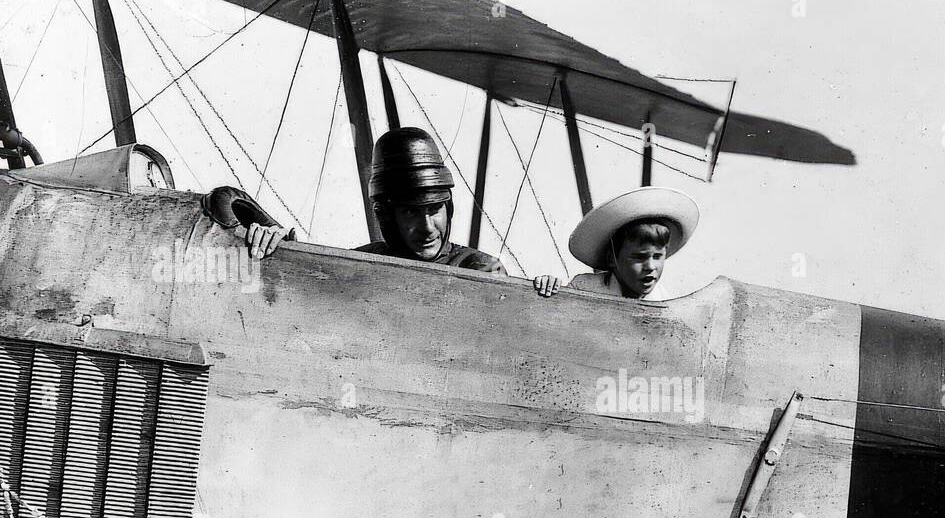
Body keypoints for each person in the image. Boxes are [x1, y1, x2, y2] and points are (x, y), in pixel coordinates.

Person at [245, 127, 504, 274]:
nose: (427, 227)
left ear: (448, 208)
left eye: (434, 209)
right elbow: (312, 286)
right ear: (388, 217)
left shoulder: (481, 270)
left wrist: (544, 290)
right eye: (411, 213)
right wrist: (279, 251)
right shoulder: (363, 263)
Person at [531, 187, 699, 300]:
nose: (650, 266)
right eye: (639, 257)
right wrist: (548, 287)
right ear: (612, 258)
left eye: (657, 256)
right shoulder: (585, 289)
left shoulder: (664, 301)